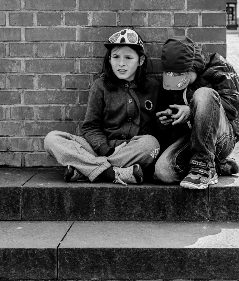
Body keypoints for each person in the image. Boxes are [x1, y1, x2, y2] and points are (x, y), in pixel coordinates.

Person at [44, 29, 160, 185]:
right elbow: (90, 127)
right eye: (116, 57)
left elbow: (156, 128)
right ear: (109, 60)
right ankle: (112, 173)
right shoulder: (100, 86)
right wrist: (106, 150)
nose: (121, 63)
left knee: (151, 144)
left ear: (140, 60)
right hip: (99, 149)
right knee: (52, 139)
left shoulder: (152, 87)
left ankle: (86, 170)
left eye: (128, 58)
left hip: (131, 150)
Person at [153, 36, 239, 190]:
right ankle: (216, 164)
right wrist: (170, 117)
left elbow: (233, 109)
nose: (179, 83)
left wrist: (191, 111)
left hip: (221, 137)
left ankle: (204, 167)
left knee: (204, 94)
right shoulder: (171, 83)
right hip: (193, 139)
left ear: (194, 67)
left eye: (183, 78)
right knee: (163, 171)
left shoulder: (219, 68)